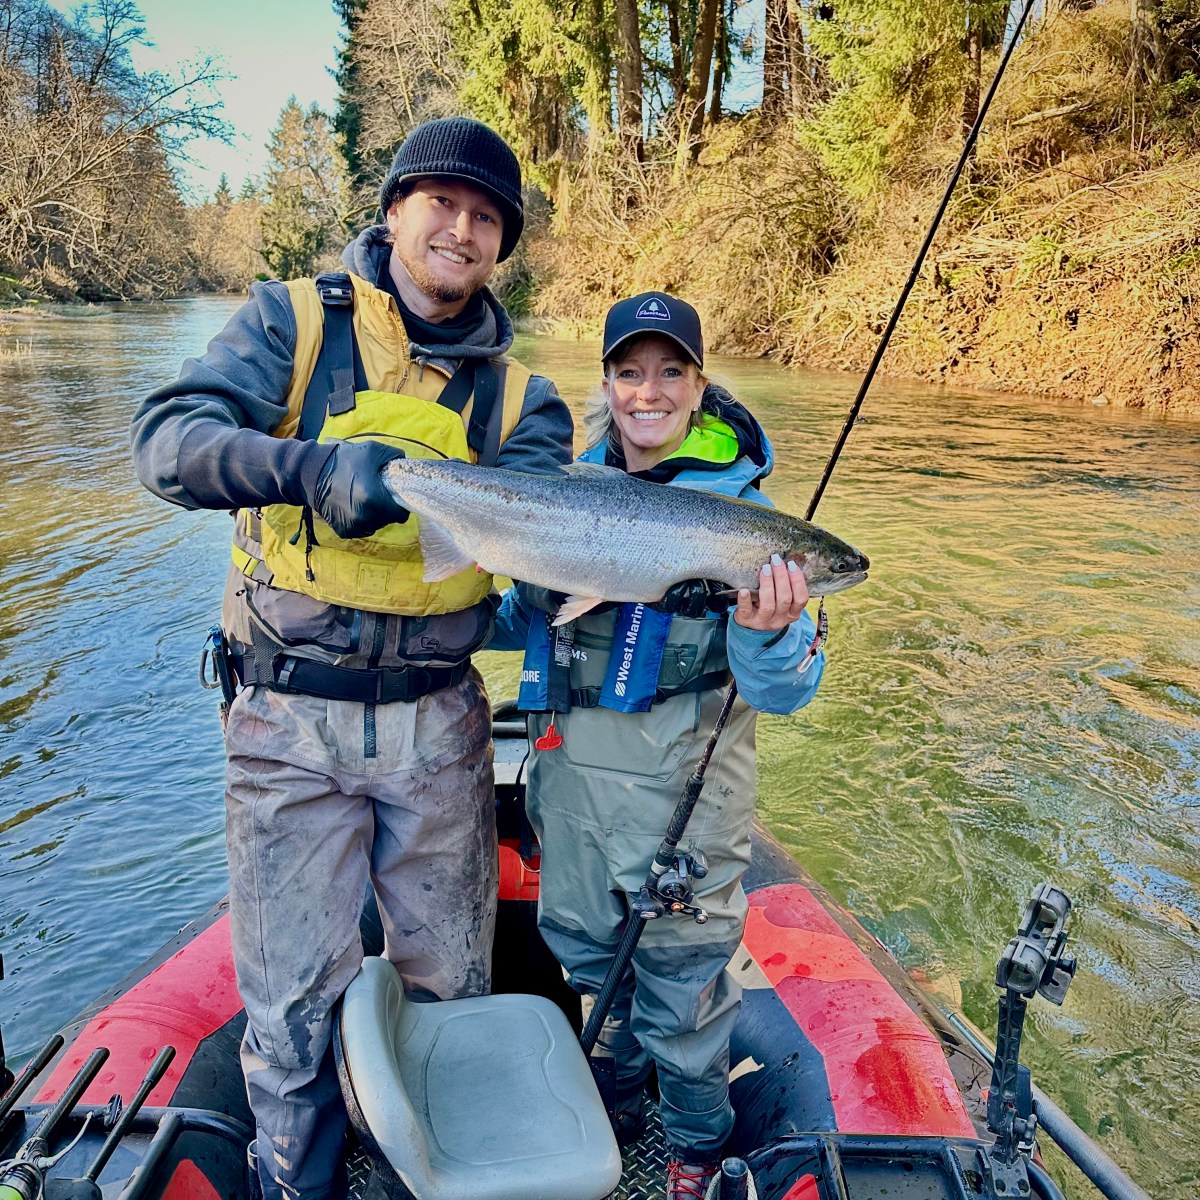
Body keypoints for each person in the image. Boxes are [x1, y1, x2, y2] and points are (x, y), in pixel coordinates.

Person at [130, 118, 573, 1200]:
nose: (461, 232)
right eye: (442, 205)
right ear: (393, 211)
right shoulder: (288, 321)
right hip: (286, 724)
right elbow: (166, 442)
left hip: (440, 728)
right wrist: (309, 472)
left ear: (501, 244)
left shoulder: (530, 403)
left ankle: (448, 1173)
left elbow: (544, 560)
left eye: (485, 219)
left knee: (452, 994)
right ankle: (304, 1186)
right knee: (288, 1015)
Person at [489, 291, 826, 1200]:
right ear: (607, 385)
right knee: (590, 963)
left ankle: (694, 1152)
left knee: (683, 1000)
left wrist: (765, 627)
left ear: (699, 385)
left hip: (688, 810)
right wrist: (506, 573)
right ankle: (618, 1106)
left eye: (671, 372)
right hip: (570, 798)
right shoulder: (560, 491)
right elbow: (515, 623)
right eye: (631, 373)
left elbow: (788, 689)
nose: (650, 392)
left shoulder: (752, 526)